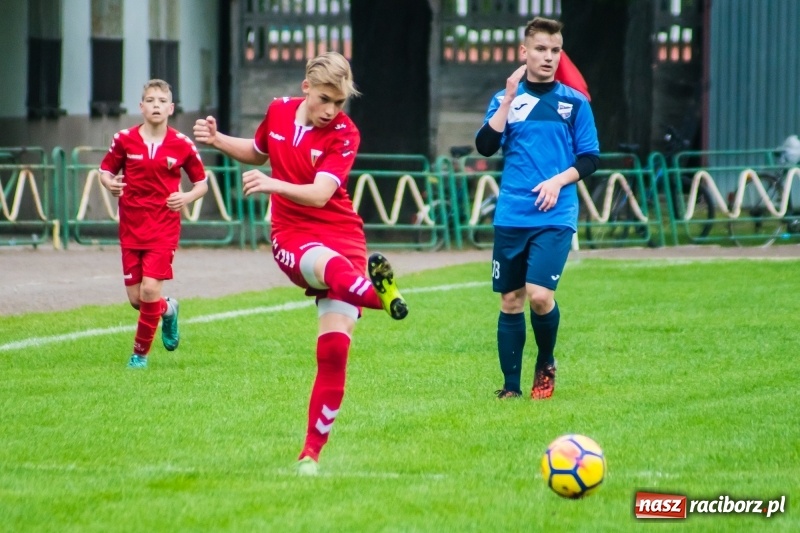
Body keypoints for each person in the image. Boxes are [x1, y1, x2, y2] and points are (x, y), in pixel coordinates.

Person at [193, 51, 408, 476]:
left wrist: (272, 183)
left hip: (342, 232)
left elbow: (321, 194)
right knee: (328, 267)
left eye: (339, 102)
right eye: (325, 99)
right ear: (306, 87)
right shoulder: (277, 111)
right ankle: (383, 297)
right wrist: (218, 140)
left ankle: (310, 454)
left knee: (334, 350)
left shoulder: (345, 133)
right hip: (292, 235)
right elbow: (258, 151)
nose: (331, 110)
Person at [475, 17, 600, 400]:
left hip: (555, 215)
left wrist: (557, 181)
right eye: (541, 49)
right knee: (510, 299)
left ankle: (546, 361)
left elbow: (590, 159)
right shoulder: (506, 100)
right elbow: (485, 146)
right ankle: (511, 389)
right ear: (524, 52)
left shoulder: (574, 102)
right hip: (512, 214)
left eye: (555, 50)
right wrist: (508, 100)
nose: (548, 57)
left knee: (540, 296)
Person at [99, 79, 209, 369]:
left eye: (162, 101)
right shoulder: (124, 139)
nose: (156, 106)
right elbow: (105, 170)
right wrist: (110, 183)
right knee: (137, 299)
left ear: (171, 108)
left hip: (164, 227)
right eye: (150, 100)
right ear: (141, 106)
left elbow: (202, 183)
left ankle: (139, 356)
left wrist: (186, 197)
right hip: (131, 227)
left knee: (149, 290)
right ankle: (169, 309)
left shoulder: (182, 144)